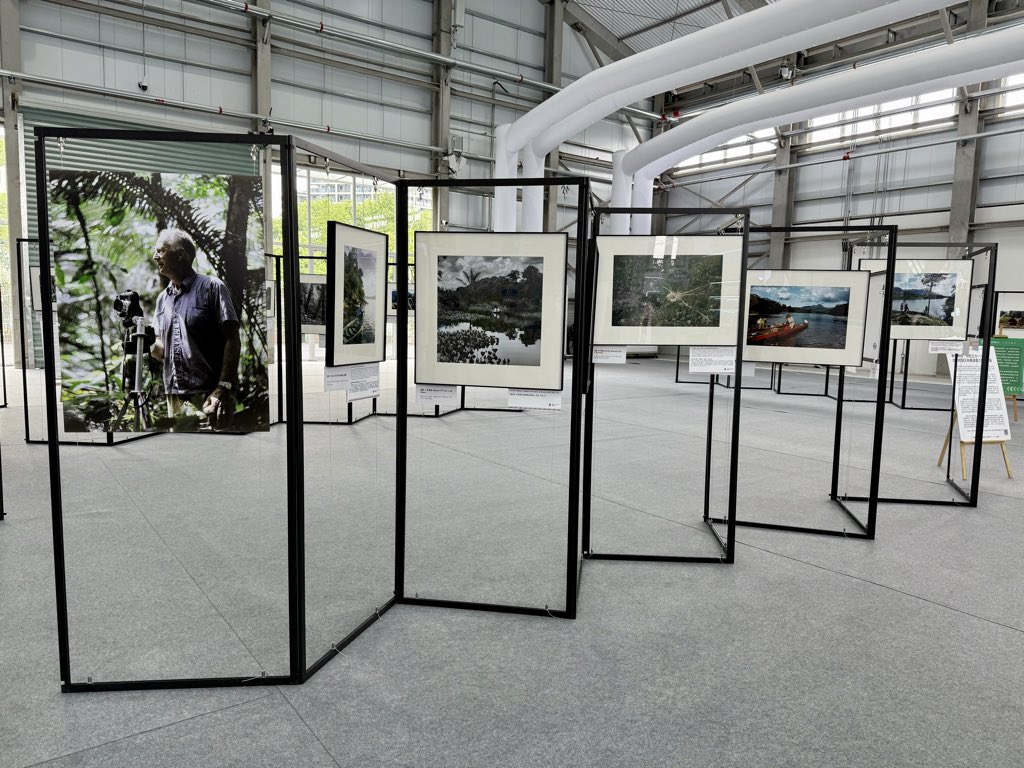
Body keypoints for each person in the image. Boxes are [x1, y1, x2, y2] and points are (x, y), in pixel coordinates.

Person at [150, 229, 240, 430]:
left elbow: (232, 339)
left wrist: (223, 387)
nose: (155, 256)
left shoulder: (212, 287)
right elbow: (161, 352)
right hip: (174, 398)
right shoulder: (162, 299)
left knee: (213, 454)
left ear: (179, 254)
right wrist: (145, 340)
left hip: (209, 396)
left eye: (160, 251)